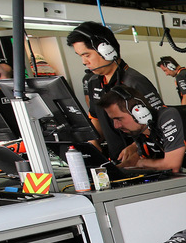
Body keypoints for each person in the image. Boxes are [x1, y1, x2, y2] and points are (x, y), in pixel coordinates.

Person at [100, 85, 186, 206]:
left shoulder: (169, 117)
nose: (116, 125)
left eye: (118, 119)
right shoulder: (142, 130)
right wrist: (109, 171)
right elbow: (136, 158)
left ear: (139, 112)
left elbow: (171, 164)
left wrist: (143, 163)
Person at [66, 21, 166, 159]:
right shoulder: (94, 82)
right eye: (81, 56)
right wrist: (93, 142)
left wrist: (136, 147)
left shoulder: (134, 82)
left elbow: (161, 122)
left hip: (148, 160)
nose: (84, 61)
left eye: (87, 55)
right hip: (118, 161)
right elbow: (96, 117)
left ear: (107, 50)